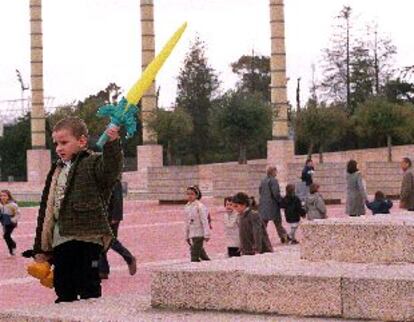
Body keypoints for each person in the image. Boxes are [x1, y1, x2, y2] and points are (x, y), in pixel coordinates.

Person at [32, 117, 123, 303]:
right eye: (56, 143)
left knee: (88, 283)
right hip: (61, 237)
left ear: (82, 141)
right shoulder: (56, 169)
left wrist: (112, 143)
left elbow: (111, 170)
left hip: (87, 237)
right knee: (63, 284)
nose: (59, 148)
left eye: (64, 142)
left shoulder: (93, 162)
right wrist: (41, 247)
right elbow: (47, 208)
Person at [99, 179, 137, 279]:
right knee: (99, 241)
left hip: (111, 216)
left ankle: (129, 258)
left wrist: (116, 216)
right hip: (100, 215)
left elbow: (117, 199)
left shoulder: (113, 179)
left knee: (110, 241)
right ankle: (102, 270)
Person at [258, 166, 289, 244]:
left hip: (263, 204)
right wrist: (281, 201)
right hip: (272, 205)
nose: (276, 173)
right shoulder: (274, 181)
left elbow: (260, 191)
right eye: (275, 171)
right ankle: (283, 236)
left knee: (263, 223)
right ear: (273, 172)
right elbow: (276, 193)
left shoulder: (263, 181)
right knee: (278, 223)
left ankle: (260, 237)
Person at [184, 185, 210, 262]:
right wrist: (186, 236)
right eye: (188, 194)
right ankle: (209, 264)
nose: (189, 196)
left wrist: (206, 234)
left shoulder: (200, 206)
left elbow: (205, 221)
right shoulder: (187, 206)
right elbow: (187, 223)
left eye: (192, 194)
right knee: (202, 254)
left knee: (194, 254)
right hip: (192, 233)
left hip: (199, 233)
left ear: (196, 195)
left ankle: (194, 266)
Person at [0, 190, 20, 256]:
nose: (2, 197)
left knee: (6, 236)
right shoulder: (1, 204)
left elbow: (18, 214)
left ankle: (12, 249)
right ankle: (13, 246)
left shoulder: (13, 204)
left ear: (8, 196)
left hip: (11, 222)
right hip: (4, 221)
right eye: (1, 195)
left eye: (4, 195)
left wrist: (13, 219)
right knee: (6, 236)